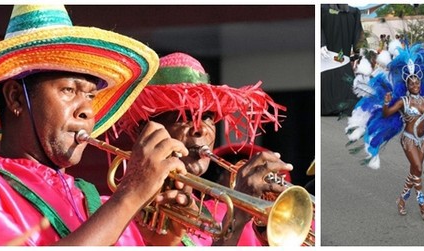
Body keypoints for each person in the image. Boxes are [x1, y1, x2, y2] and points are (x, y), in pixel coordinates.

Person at [0, 5, 185, 246]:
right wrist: (131, 193)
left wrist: (163, 242)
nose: (88, 111)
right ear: (16, 97)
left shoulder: (99, 206)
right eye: (69, 90)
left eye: (90, 96)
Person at [111, 52, 298, 246]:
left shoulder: (223, 213)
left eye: (207, 116)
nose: (200, 129)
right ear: (145, 131)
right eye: (184, 116)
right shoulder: (108, 215)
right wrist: (239, 217)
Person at [345, 44, 424, 221]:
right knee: (417, 168)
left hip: (423, 139)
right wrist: (386, 103)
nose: (415, 85)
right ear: (407, 85)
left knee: (416, 172)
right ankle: (422, 206)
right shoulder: (403, 101)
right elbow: (387, 113)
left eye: (417, 82)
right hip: (408, 140)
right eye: (412, 83)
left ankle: (401, 199)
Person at [321, 4, 362, 116]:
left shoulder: (353, 12)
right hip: (327, 53)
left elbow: (358, 32)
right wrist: (321, 43)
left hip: (343, 53)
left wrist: (358, 51)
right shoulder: (322, 9)